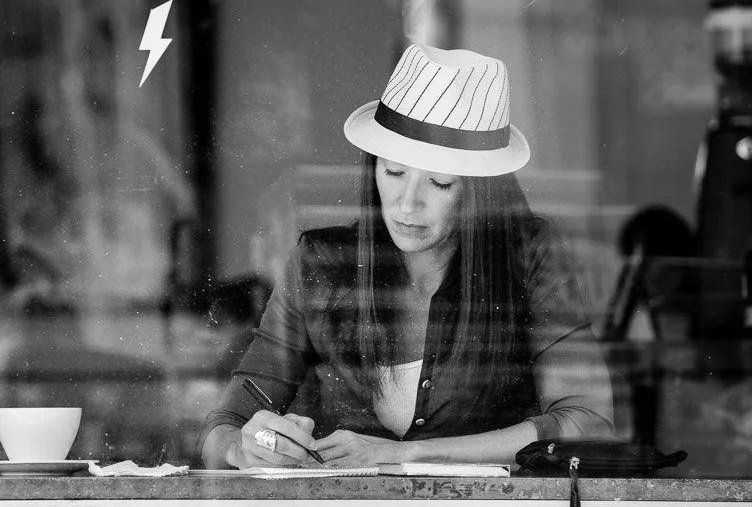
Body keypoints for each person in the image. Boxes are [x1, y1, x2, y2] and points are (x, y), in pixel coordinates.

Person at [200, 43, 614, 469]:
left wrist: (407, 454)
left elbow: (589, 423)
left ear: (478, 191)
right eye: (394, 172)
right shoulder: (320, 265)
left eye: (439, 183)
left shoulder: (529, 257)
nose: (406, 204)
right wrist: (245, 445)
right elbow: (223, 428)